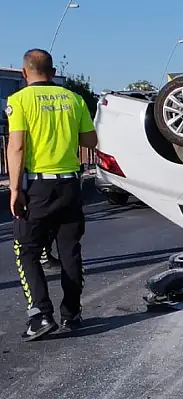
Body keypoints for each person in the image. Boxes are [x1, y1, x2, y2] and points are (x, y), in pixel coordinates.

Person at [5, 48, 98, 341]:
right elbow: (90, 140)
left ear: (24, 73)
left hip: (38, 187)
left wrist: (14, 189)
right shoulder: (74, 99)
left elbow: (17, 147)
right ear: (53, 72)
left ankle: (40, 315)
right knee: (69, 249)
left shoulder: (19, 100)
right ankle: (72, 313)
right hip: (70, 184)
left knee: (27, 250)